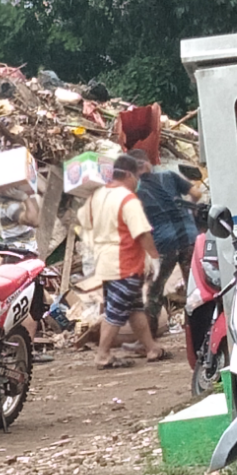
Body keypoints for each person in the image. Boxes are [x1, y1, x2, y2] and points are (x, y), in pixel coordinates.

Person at [76, 154, 167, 368]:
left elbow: (84, 221)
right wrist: (155, 259)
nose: (137, 182)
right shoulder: (127, 199)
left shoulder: (96, 196)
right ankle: (103, 355)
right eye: (136, 177)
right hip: (124, 264)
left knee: (134, 308)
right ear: (128, 174)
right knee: (115, 312)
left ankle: (151, 348)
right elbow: (142, 232)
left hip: (107, 262)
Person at [128, 149, 200, 336]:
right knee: (194, 287)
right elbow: (197, 194)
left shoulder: (135, 192)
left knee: (153, 292)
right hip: (189, 239)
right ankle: (200, 332)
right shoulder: (169, 176)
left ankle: (149, 338)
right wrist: (192, 213)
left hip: (164, 245)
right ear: (148, 164)